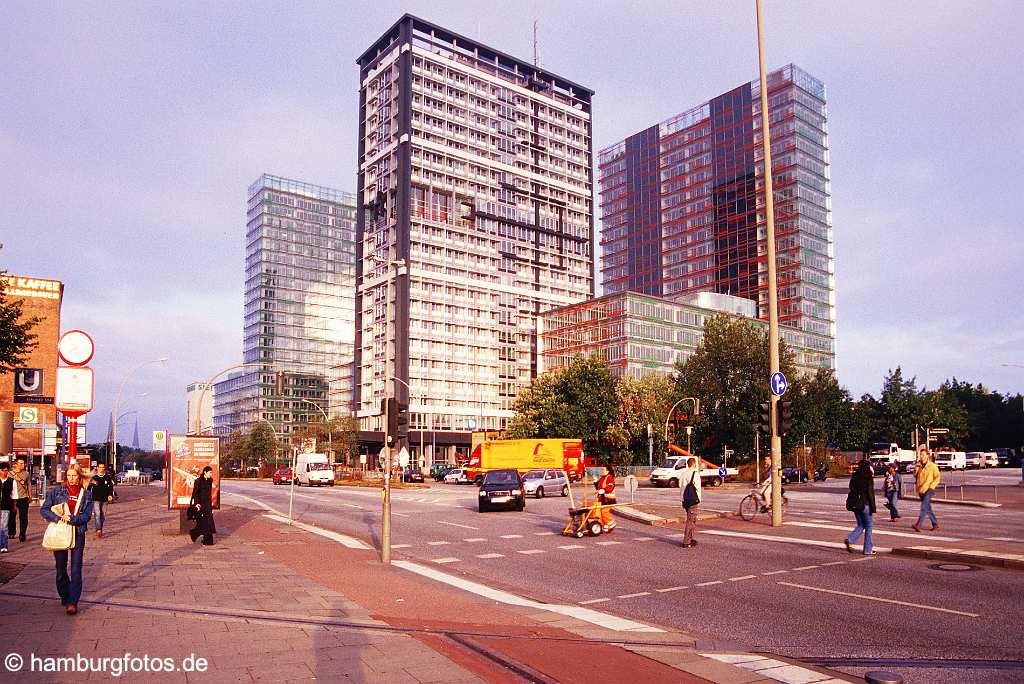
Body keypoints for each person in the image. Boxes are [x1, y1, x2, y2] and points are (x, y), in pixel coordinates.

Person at [39, 464, 94, 615]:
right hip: (60, 531)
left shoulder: (86, 494)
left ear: (79, 476)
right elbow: (44, 509)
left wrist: (72, 519)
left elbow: (87, 516)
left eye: (74, 476)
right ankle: (65, 594)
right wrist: (57, 518)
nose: (71, 479)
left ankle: (73, 601)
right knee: (60, 569)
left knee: (76, 569)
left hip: (78, 532)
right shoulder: (57, 491)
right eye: (69, 476)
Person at [844, 459, 876, 555]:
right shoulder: (868, 477)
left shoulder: (855, 475)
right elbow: (870, 493)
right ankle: (867, 549)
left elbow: (851, 488)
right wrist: (873, 509)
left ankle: (850, 539)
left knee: (861, 525)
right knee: (869, 526)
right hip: (865, 504)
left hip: (855, 504)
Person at [912, 447, 940, 532]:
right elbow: (915, 475)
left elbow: (937, 477)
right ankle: (935, 524)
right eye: (920, 455)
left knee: (924, 507)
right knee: (928, 508)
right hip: (921, 489)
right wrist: (916, 469)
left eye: (923, 455)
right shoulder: (919, 465)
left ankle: (918, 525)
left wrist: (932, 486)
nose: (921, 456)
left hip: (929, 488)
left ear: (927, 456)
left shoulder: (932, 466)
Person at [189, 466, 216, 545]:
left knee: (208, 521)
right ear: (205, 472)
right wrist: (197, 504)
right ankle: (206, 540)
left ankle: (197, 535)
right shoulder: (198, 481)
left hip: (208, 504)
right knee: (205, 522)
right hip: (201, 505)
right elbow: (195, 493)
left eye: (211, 473)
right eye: (210, 472)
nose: (211, 474)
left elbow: (209, 493)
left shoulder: (210, 480)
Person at [88, 463, 116, 539]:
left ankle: (100, 528)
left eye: (103, 467)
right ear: (97, 468)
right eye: (100, 467)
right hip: (96, 499)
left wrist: (110, 495)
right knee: (97, 514)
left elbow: (111, 487)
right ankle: (98, 530)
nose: (101, 468)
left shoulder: (107, 477)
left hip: (105, 499)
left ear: (104, 468)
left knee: (102, 516)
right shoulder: (94, 477)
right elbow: (88, 487)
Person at [679, 457, 702, 548]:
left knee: (691, 519)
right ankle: (686, 541)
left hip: (685, 500)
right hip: (693, 500)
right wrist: (699, 499)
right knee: (691, 521)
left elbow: (681, 487)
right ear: (693, 464)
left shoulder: (683, 473)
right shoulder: (695, 474)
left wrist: (682, 499)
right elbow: (698, 488)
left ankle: (690, 538)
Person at [11, 458, 30, 542]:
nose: (23, 465)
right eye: (21, 463)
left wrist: (30, 496)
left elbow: (28, 485)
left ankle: (22, 534)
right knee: (12, 516)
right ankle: (11, 532)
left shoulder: (26, 474)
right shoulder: (10, 474)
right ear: (16, 464)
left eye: (23, 463)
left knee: (23, 517)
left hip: (23, 497)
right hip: (13, 498)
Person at [595, 465, 616, 533]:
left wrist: (604, 490)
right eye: (601, 470)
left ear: (608, 471)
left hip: (609, 499)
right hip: (602, 499)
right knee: (599, 512)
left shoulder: (610, 477)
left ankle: (610, 522)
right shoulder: (602, 478)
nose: (602, 471)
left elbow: (610, 486)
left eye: (603, 470)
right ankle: (606, 525)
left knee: (604, 511)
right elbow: (598, 487)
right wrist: (595, 482)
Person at [0, 462, 13, 553]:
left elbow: (14, 495)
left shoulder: (11, 481)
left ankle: (4, 545)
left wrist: (14, 506)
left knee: (4, 526)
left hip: (6, 506)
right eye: (2, 470)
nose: (4, 472)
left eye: (6, 470)